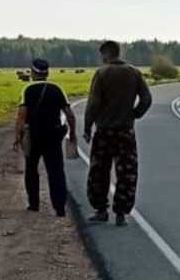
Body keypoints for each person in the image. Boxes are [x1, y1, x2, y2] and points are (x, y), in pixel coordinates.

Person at [83, 40, 152, 225]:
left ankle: (101, 210)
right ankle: (121, 213)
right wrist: (135, 113)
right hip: (125, 131)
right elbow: (146, 98)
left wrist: (87, 127)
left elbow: (93, 104)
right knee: (127, 173)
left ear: (106, 54)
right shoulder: (134, 73)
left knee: (99, 172)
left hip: (104, 131)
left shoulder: (102, 73)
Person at [13, 58, 77, 216]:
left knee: (31, 169)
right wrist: (72, 133)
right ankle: (60, 207)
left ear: (32, 72)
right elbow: (69, 114)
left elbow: (22, 116)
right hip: (53, 134)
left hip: (34, 134)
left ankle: (34, 204)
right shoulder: (57, 89)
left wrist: (18, 136)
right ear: (47, 73)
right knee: (56, 171)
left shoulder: (27, 89)